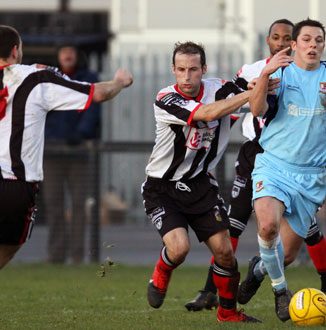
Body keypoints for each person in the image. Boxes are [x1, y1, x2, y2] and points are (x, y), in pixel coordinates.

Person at [0, 25, 133, 329]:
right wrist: (120, 82)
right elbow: (96, 93)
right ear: (16, 50)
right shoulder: (35, 77)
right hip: (15, 186)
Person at [185, 19, 326, 314]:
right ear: (268, 40)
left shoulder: (307, 71)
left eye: (286, 38)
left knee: (304, 234)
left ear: (294, 42)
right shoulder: (251, 71)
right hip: (256, 154)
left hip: (295, 159)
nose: (281, 43)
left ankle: (325, 283)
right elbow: (228, 106)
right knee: (235, 224)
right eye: (276, 38)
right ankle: (210, 291)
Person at [241, 19, 326, 322]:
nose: (313, 45)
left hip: (311, 176)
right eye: (306, 39)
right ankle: (281, 292)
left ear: (323, 45)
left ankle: (258, 270)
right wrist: (265, 75)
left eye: (318, 40)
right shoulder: (279, 73)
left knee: (286, 255)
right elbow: (257, 110)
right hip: (274, 165)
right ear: (293, 45)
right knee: (267, 227)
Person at [142, 41, 260, 323]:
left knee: (225, 253)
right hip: (163, 188)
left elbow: (257, 105)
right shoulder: (166, 98)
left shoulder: (219, 89)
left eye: (193, 69)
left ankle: (227, 313)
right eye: (181, 69)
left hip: (200, 186)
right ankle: (162, 270)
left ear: (203, 69)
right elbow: (206, 114)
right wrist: (246, 94)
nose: (186, 76)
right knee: (179, 249)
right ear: (173, 70)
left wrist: (263, 85)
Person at [44, 44, 101, 264]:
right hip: (51, 151)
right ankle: (56, 254)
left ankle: (77, 255)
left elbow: (93, 107)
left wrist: (81, 133)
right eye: (63, 51)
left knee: (79, 205)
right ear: (58, 56)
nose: (67, 55)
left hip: (79, 151)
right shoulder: (48, 79)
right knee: (53, 203)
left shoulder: (88, 79)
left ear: (77, 55)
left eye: (71, 51)